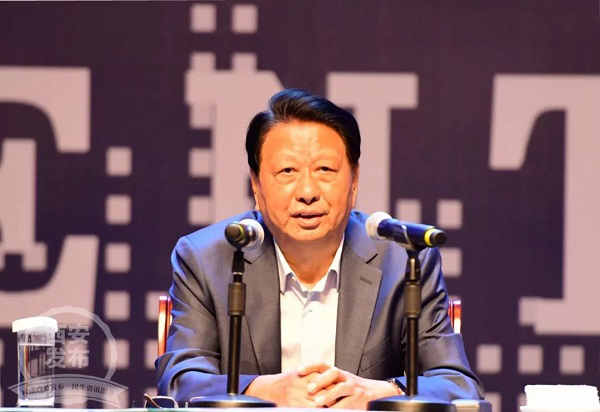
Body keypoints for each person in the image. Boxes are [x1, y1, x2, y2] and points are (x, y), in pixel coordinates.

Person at [156, 89, 484, 408]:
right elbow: (180, 381)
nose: (308, 191)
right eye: (287, 171)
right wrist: (265, 391)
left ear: (354, 181)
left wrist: (379, 393)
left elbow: (457, 385)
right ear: (256, 185)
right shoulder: (208, 257)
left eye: (325, 170)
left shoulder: (404, 260)